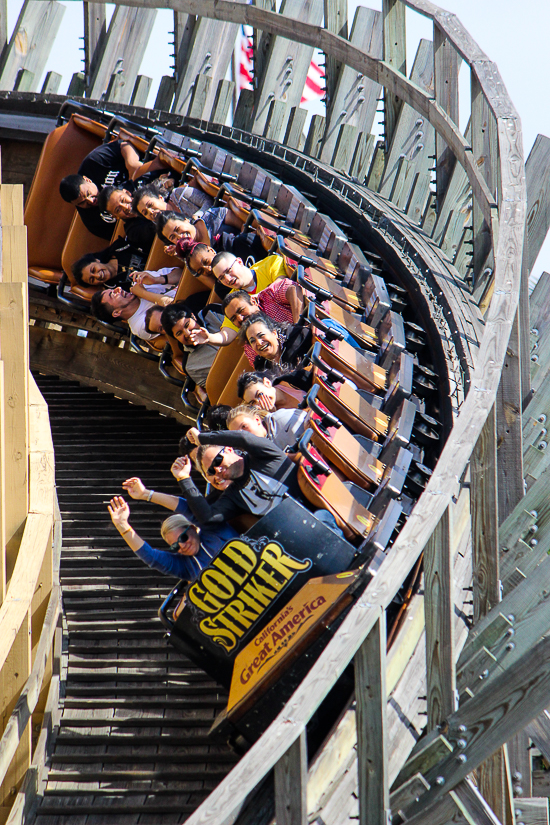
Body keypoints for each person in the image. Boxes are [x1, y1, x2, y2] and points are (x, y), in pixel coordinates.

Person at [171, 427, 342, 534]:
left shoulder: (262, 456)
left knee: (320, 522)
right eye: (211, 470)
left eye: (217, 461)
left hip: (316, 513)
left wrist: (203, 438)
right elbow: (208, 517)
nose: (217, 469)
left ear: (229, 449)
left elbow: (244, 438)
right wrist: (184, 478)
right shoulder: (233, 496)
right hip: (291, 535)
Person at [107, 475, 237, 580]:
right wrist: (122, 525)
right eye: (175, 546)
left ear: (193, 528)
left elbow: (186, 508)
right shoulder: (185, 565)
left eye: (183, 538)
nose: (182, 546)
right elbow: (151, 557)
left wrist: (146, 494)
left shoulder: (212, 530)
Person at [59, 138, 150, 239]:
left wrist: (131, 164)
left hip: (147, 181)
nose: (91, 201)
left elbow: (124, 144)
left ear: (87, 180)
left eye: (88, 193)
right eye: (82, 203)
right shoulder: (92, 221)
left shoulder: (92, 162)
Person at [91, 278, 180, 340]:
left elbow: (179, 271)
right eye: (113, 294)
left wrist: (156, 279)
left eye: (113, 289)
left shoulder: (139, 284)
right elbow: (176, 309)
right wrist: (142, 293)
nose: (118, 289)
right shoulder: (139, 327)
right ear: (116, 312)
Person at [160, 302, 224, 387]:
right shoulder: (191, 366)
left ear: (193, 316)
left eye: (187, 325)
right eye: (179, 333)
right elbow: (217, 389)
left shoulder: (212, 312)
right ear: (176, 338)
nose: (187, 333)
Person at [240, 313, 312, 373]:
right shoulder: (261, 366)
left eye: (261, 335)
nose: (259, 342)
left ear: (274, 333)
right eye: (252, 341)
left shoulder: (299, 337)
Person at [156, 208, 243, 255]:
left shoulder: (213, 216)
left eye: (177, 229)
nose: (179, 236)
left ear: (185, 220)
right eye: (172, 237)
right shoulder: (192, 258)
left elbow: (245, 224)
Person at [227, 404, 309, 453]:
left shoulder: (281, 419)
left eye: (244, 426)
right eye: (238, 435)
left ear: (257, 420)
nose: (243, 435)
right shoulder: (255, 455)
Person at [72, 237, 147, 289]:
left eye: (93, 270)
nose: (97, 275)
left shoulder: (119, 248)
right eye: (92, 279)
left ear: (97, 260)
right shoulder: (115, 291)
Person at [132, 179, 214, 221]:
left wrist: (197, 217)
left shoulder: (179, 194)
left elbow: (209, 201)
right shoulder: (166, 230)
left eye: (150, 205)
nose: (150, 212)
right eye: (145, 213)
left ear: (160, 198)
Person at [236, 371, 307, 411]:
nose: (260, 402)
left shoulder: (292, 380)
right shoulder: (270, 420)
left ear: (267, 382)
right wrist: (275, 415)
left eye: (259, 394)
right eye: (253, 402)